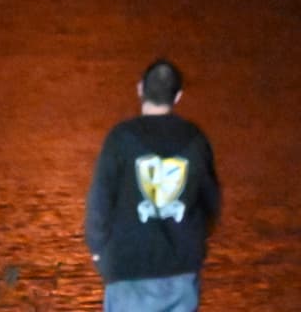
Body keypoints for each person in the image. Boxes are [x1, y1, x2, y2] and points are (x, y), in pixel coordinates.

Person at [85, 58, 221, 312]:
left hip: (128, 269)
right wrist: (194, 242)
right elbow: (211, 205)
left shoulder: (121, 138)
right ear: (178, 96)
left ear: (140, 89)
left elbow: (100, 203)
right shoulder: (196, 140)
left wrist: (99, 253)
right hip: (180, 269)